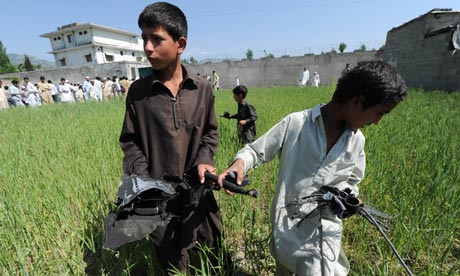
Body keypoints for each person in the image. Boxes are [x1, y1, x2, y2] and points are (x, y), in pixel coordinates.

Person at [218, 60, 408, 276]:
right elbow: (255, 151)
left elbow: (353, 181)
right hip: (287, 228)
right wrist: (239, 164)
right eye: (380, 113)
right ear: (356, 102)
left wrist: (347, 196)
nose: (378, 122)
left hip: (325, 233)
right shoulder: (296, 124)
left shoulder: (357, 141)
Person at [117, 2, 221, 274]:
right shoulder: (139, 93)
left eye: (156, 39)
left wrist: (204, 159)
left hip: (198, 194)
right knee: (170, 261)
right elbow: (130, 142)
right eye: (144, 39)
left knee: (209, 254)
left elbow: (210, 133)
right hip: (158, 198)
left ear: (180, 43)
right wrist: (144, 182)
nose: (147, 47)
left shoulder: (202, 89)